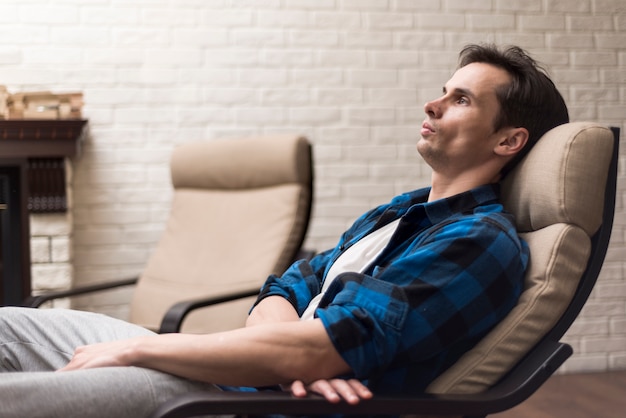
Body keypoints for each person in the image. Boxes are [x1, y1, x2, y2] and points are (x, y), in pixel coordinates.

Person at [0, 43, 569, 418]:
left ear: (508, 141)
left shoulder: (479, 243)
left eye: (461, 98)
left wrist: (143, 351)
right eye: (443, 89)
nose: (433, 102)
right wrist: (299, 354)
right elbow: (287, 287)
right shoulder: (397, 214)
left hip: (230, 402)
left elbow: (326, 342)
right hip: (243, 372)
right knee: (9, 325)